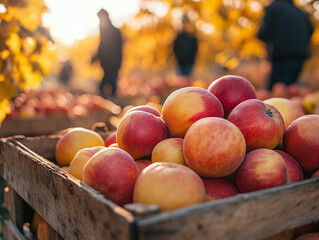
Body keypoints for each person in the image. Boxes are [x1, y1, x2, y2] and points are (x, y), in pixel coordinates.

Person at [257, 0, 314, 91]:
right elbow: (311, 29)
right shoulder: (300, 12)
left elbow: (263, 33)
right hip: (300, 56)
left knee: (276, 89)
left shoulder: (273, 8)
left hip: (282, 55)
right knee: (290, 89)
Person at [92, 9, 123, 97]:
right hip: (111, 61)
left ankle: (107, 98)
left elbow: (103, 45)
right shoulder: (110, 29)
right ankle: (109, 98)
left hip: (111, 61)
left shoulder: (108, 30)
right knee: (110, 79)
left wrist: (96, 57)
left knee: (109, 79)